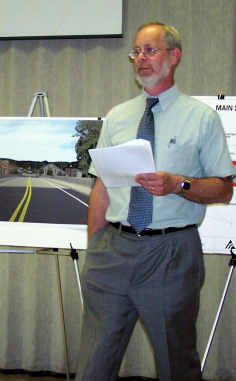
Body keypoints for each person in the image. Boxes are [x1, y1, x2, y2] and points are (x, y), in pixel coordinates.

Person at [76, 22, 234, 381]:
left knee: (175, 362)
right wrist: (96, 246)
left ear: (174, 56)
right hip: (112, 252)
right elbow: (102, 185)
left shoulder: (201, 118)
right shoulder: (117, 116)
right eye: (136, 52)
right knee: (94, 365)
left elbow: (224, 189)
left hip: (171, 253)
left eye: (150, 50)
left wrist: (178, 183)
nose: (140, 59)